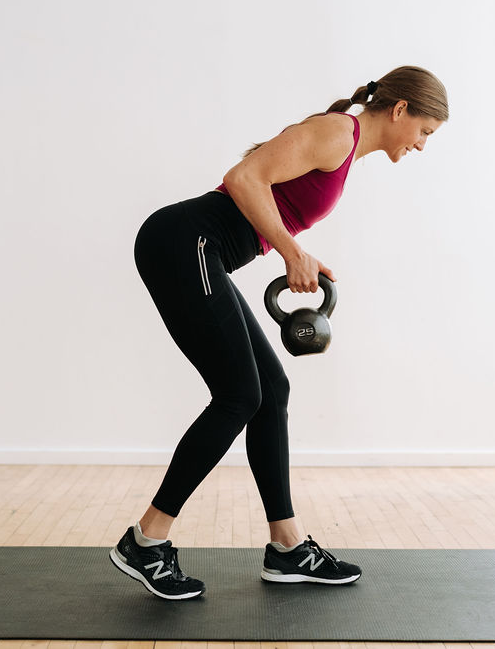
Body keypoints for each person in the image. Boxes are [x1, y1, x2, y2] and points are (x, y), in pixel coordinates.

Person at [109, 65, 449, 600]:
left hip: (202, 252)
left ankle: (287, 547)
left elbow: (270, 195)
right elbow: (243, 177)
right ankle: (146, 541)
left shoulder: (344, 144)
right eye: (426, 131)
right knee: (239, 395)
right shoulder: (338, 132)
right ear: (401, 109)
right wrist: (292, 252)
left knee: (271, 394)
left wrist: (300, 256)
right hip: (184, 241)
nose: (424, 144)